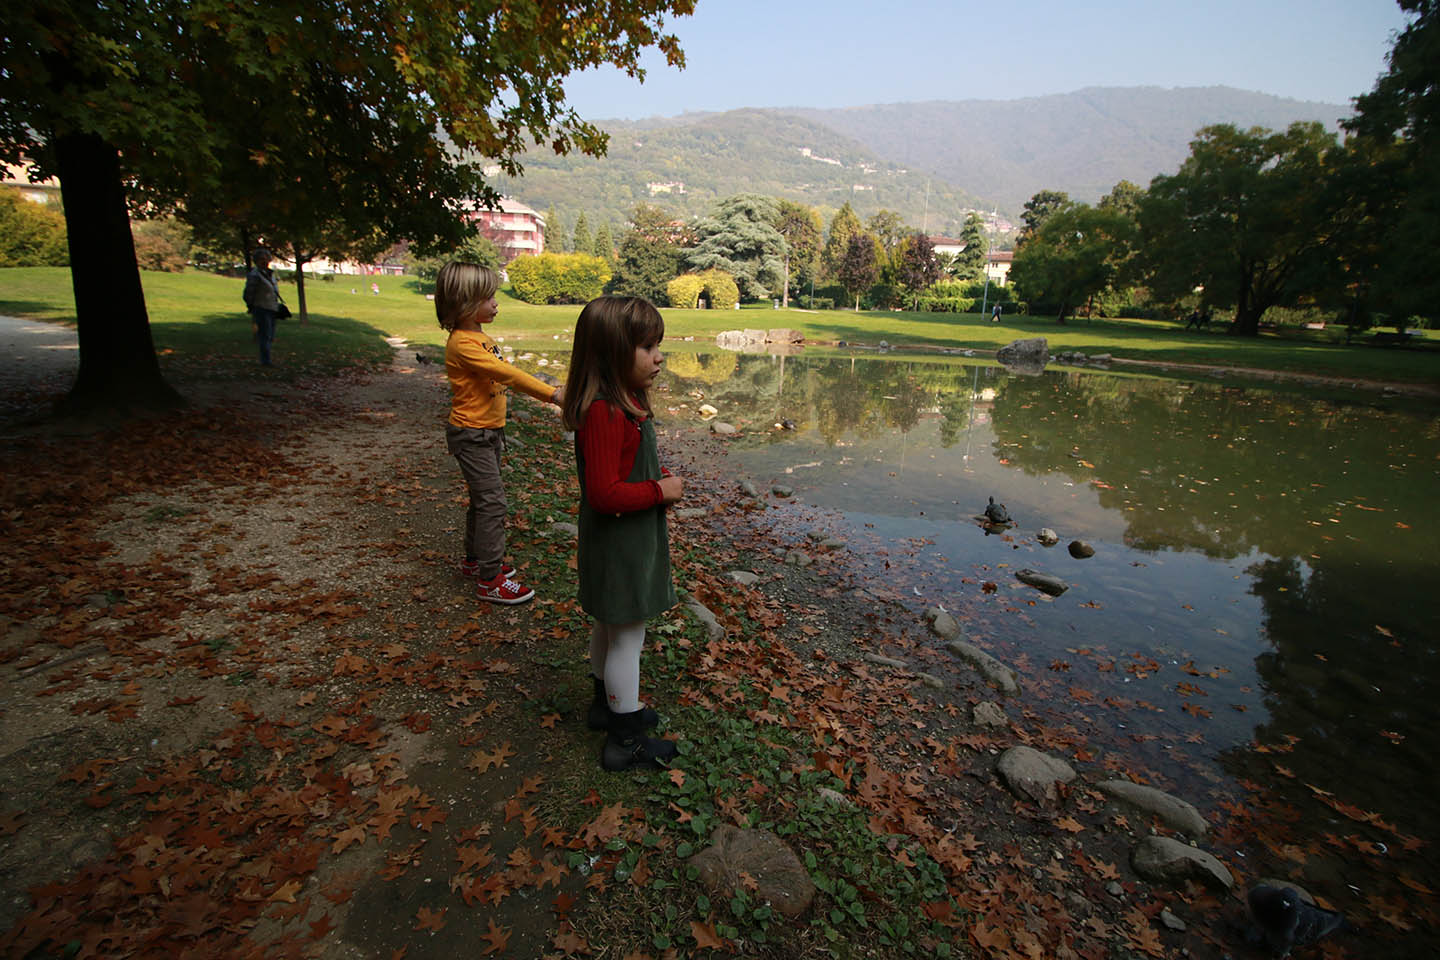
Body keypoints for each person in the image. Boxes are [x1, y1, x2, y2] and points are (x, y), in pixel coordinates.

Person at [561, 296, 683, 772]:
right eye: (647, 347)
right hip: (620, 543)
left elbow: (625, 469)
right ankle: (624, 738)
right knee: (628, 636)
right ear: (611, 352)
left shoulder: (621, 406)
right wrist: (659, 490)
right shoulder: (605, 414)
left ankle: (606, 706)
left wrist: (657, 477)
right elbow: (605, 495)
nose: (658, 357)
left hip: (623, 541)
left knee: (610, 626)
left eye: (659, 345)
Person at [437, 262, 563, 604]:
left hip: (488, 433)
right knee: (492, 504)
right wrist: (553, 394)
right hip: (472, 434)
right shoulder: (463, 344)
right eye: (488, 297)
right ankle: (490, 579)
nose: (496, 303)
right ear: (464, 302)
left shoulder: (478, 336)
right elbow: (506, 374)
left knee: (482, 501)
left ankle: (475, 560)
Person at [242, 248, 284, 365]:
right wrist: (251, 305)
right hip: (261, 308)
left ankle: (266, 358)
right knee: (265, 335)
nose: (264, 262)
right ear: (256, 261)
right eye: (261, 259)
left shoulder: (270, 274)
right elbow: (248, 293)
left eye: (266, 259)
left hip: (272, 308)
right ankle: (265, 361)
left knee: (270, 335)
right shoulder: (255, 275)